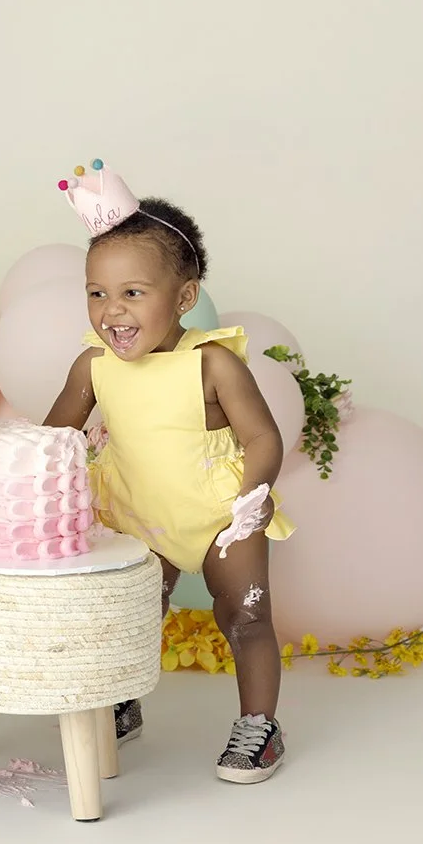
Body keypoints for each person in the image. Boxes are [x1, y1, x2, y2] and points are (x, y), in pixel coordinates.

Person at [42, 161, 295, 783]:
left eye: (133, 293)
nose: (112, 311)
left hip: (216, 513)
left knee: (246, 615)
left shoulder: (212, 363)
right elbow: (50, 441)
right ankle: (123, 700)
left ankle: (259, 724)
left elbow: (262, 435)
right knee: (129, 615)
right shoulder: (93, 367)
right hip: (136, 513)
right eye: (97, 293)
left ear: (184, 297)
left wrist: (254, 495)